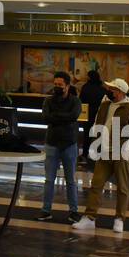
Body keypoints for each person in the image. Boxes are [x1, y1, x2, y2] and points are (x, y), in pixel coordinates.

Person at [73, 78, 129, 234]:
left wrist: (128, 145)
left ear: (119, 92)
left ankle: (119, 219)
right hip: (104, 153)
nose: (108, 90)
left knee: (123, 188)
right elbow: (98, 124)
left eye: (112, 88)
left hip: (120, 154)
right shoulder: (104, 105)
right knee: (96, 185)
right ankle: (89, 218)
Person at [36, 72, 82, 223]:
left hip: (69, 144)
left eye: (60, 85)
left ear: (67, 86)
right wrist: (64, 117)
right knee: (49, 180)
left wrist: (55, 116)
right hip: (51, 143)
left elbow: (73, 116)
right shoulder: (48, 101)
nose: (57, 87)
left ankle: (74, 212)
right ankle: (46, 210)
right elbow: (45, 118)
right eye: (55, 84)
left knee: (71, 181)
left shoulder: (75, 101)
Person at [78, 69, 106, 167]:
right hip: (99, 115)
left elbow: (81, 100)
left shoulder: (85, 87)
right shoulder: (102, 89)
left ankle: (85, 154)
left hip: (87, 114)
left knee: (87, 135)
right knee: (99, 134)